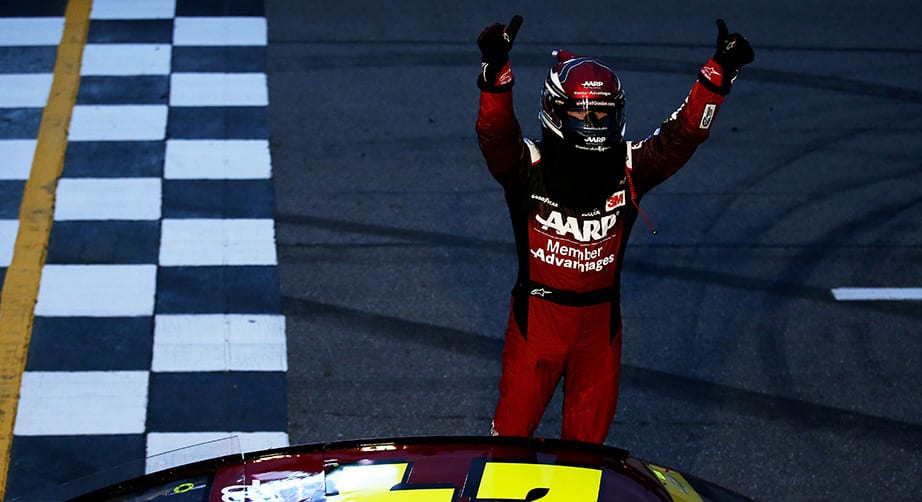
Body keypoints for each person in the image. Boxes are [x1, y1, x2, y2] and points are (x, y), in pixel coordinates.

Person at [475, 17, 754, 443]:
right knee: (507, 446)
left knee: (587, 461)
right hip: (538, 325)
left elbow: (683, 136)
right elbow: (495, 135)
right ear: (555, 110)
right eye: (583, 111)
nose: (593, 121)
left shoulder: (629, 167)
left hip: (599, 332)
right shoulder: (526, 166)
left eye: (602, 113)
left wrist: (717, 76)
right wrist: (496, 76)